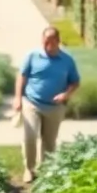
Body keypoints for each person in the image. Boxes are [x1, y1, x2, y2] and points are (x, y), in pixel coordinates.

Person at [14, 27, 81, 183]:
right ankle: (29, 169)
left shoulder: (67, 60)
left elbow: (75, 82)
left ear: (57, 41)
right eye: (44, 42)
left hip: (55, 107)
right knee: (30, 136)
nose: (46, 45)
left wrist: (66, 94)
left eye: (49, 42)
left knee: (49, 141)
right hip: (32, 102)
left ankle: (46, 170)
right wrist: (17, 98)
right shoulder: (32, 56)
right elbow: (22, 77)